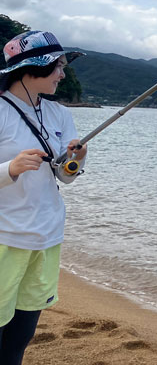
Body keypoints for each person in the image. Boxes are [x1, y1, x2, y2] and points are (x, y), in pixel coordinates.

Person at [0, 30, 87, 364]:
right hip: (6, 238)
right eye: (57, 66)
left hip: (46, 237)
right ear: (30, 69)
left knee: (21, 336)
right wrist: (11, 167)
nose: (63, 74)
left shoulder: (59, 114)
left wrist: (77, 159)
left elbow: (66, 177)